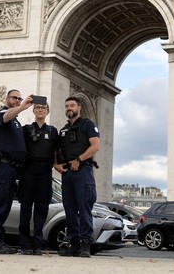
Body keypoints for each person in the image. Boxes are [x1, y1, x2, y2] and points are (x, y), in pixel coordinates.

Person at [0, 89, 33, 254]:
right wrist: (23, 107)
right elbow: (6, 117)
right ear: (7, 98)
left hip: (11, 169)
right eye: (15, 98)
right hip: (2, 167)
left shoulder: (16, 121)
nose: (18, 100)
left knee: (4, 206)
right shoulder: (2, 114)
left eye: (20, 99)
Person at [54, 97, 100, 258]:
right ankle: (73, 245)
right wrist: (56, 165)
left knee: (84, 207)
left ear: (79, 108)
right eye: (66, 106)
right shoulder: (63, 130)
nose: (69, 108)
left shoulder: (88, 125)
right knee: (70, 209)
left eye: (72, 105)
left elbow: (95, 146)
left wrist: (79, 160)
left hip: (83, 170)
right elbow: (56, 150)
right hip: (67, 173)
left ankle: (86, 245)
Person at [18, 103, 58, 255]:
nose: (40, 110)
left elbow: (56, 151)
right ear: (33, 111)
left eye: (43, 108)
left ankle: (37, 244)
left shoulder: (53, 131)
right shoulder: (26, 129)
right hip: (28, 171)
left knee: (42, 209)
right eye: (37, 108)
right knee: (25, 209)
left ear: (48, 111)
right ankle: (25, 245)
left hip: (45, 172)